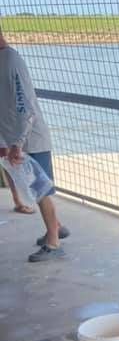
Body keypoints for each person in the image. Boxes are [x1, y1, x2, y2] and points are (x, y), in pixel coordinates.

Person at [0, 24, 70, 260]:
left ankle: (53, 244)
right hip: (14, 139)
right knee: (34, 188)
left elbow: (26, 106)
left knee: (41, 191)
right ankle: (56, 227)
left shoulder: (11, 60)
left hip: (31, 139)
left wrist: (18, 143)